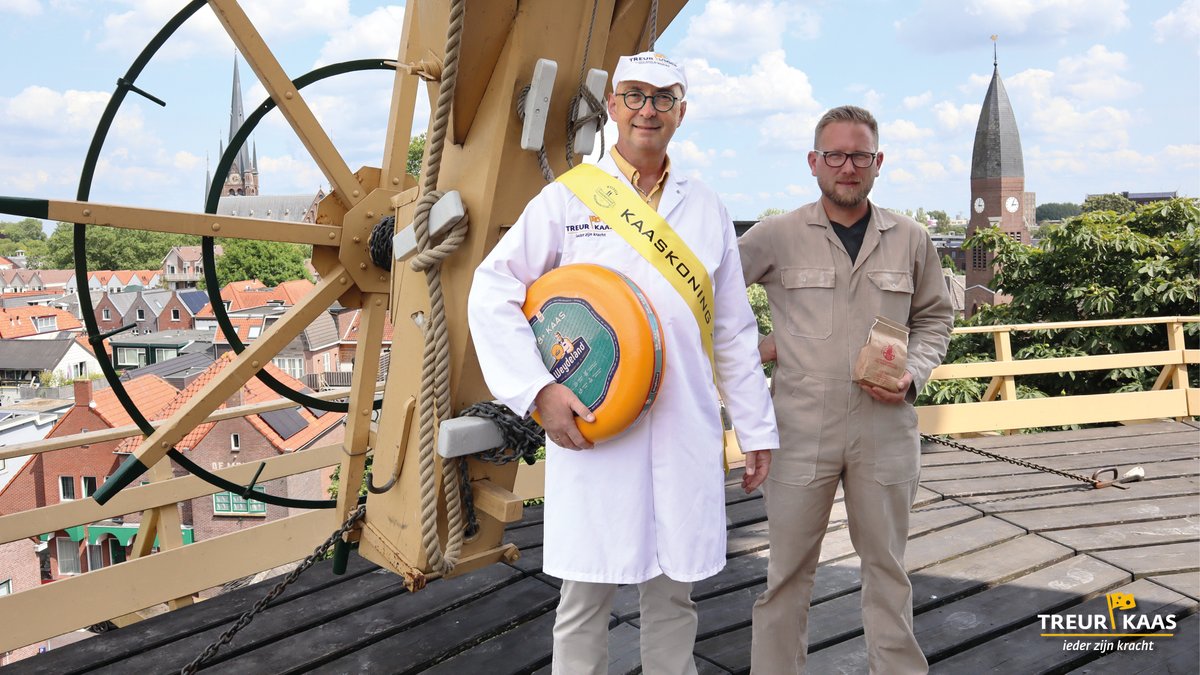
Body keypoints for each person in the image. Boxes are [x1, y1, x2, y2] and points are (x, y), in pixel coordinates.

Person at [468, 52, 778, 674]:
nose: (648, 110)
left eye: (664, 99)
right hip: (595, 428)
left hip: (684, 425)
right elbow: (490, 288)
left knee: (674, 597)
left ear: (682, 113)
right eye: (635, 95)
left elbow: (735, 331)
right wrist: (537, 393)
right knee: (585, 598)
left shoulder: (706, 206)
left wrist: (756, 428)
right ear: (613, 106)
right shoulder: (567, 199)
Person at [739, 105, 953, 674]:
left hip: (886, 429)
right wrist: (762, 346)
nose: (848, 167)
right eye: (834, 155)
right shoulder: (776, 235)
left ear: (878, 162)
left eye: (860, 156)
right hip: (800, 428)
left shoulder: (911, 238)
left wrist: (915, 373)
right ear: (814, 163)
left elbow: (935, 318)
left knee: (888, 573)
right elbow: (710, 300)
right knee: (786, 576)